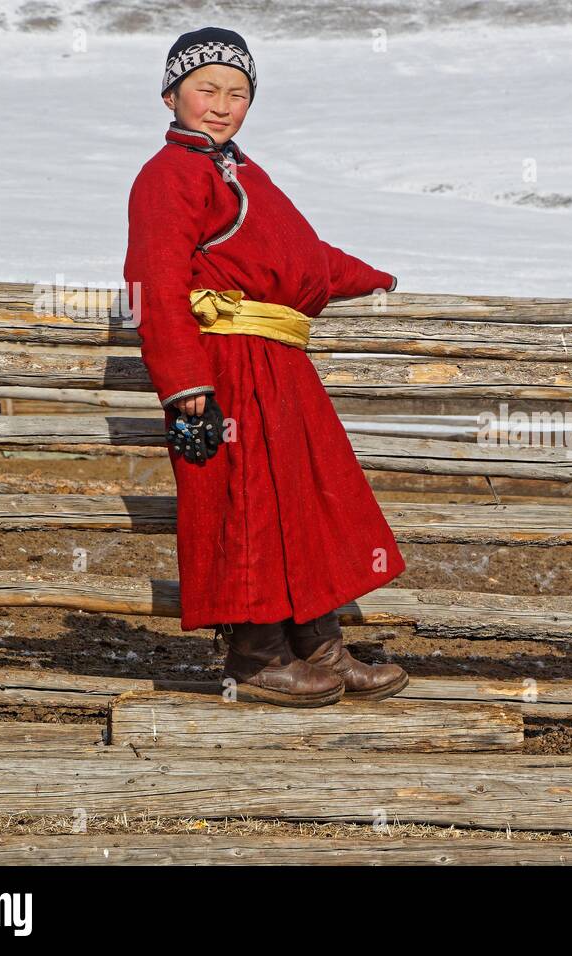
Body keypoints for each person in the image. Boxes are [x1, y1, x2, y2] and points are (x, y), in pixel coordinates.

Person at [123, 26, 409, 708]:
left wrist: (376, 280)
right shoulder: (169, 175)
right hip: (225, 364)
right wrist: (185, 379)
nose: (221, 104)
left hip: (277, 365)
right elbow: (152, 279)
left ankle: (319, 647)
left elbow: (304, 259)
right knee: (245, 503)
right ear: (171, 93)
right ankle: (255, 655)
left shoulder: (243, 172)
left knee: (302, 501)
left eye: (238, 92)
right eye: (206, 89)